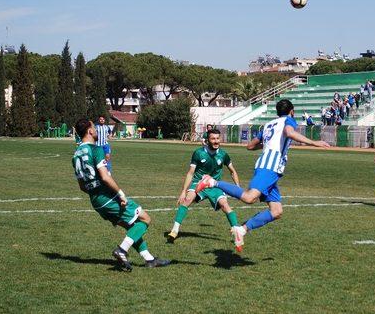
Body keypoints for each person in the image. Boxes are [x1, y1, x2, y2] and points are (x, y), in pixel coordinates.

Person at [194, 99, 330, 246]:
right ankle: (211, 182)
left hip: (270, 167)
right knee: (248, 197)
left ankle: (242, 230)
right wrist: (314, 142)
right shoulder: (289, 121)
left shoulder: (268, 124)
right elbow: (289, 132)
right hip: (269, 166)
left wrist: (269, 143)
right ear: (292, 111)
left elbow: (250, 145)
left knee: (276, 211)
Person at [72, 118, 170, 271]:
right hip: (107, 197)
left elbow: (82, 187)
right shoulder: (96, 150)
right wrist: (120, 193)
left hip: (96, 201)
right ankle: (122, 250)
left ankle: (149, 259)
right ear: (90, 131)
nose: (96, 131)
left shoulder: (76, 155)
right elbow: (105, 176)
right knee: (145, 219)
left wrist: (96, 193)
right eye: (94, 128)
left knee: (132, 226)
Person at [166, 129, 243, 250]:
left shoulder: (223, 154)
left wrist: (237, 188)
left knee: (225, 205)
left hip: (214, 185)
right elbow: (191, 173)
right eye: (213, 139)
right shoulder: (198, 153)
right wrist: (183, 191)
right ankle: (174, 230)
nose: (216, 141)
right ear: (207, 140)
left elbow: (233, 171)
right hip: (198, 183)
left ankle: (238, 234)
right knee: (188, 199)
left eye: (218, 138)